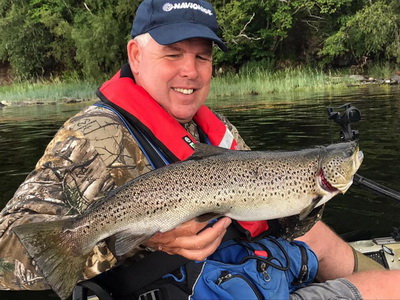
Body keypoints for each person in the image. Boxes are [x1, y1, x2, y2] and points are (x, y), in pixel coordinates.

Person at [0, 0, 399, 299]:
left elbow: (274, 221)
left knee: (337, 250)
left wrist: (312, 199)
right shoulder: (93, 138)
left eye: (201, 56)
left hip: (244, 273)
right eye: (172, 54)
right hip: (192, 288)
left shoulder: (215, 129)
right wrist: (143, 238)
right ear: (135, 56)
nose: (190, 70)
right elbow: (6, 255)